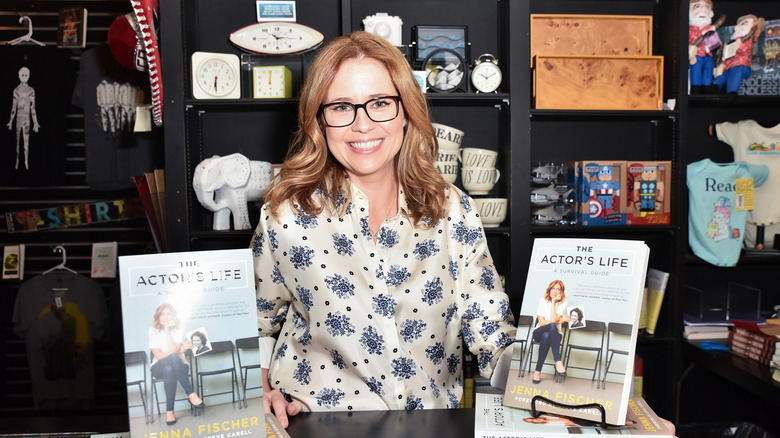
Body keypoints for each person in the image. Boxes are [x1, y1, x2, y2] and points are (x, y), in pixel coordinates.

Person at [251, 31, 516, 428]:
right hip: (317, 426)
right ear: (319, 119)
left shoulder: (452, 208)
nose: (362, 125)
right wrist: (257, 385)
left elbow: (491, 328)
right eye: (341, 106)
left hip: (430, 427)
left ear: (406, 111)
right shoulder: (284, 215)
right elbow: (253, 326)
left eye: (379, 103)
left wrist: (536, 377)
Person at [148, 303, 204, 425]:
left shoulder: (180, 328)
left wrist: (168, 331)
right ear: (158, 317)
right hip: (158, 367)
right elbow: (158, 356)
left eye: (169, 314)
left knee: (169, 370)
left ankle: (170, 412)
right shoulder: (152, 331)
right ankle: (191, 394)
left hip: (179, 366)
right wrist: (181, 348)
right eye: (163, 314)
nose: (166, 317)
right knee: (173, 357)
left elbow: (172, 349)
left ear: (174, 316)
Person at [713, 14, 765, 97]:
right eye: (741, 23)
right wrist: (720, 65)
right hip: (728, 67)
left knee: (735, 72)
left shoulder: (746, 40)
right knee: (722, 76)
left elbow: (743, 50)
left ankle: (732, 92)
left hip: (741, 66)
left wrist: (738, 44)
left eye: (746, 23)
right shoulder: (732, 40)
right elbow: (726, 56)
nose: (741, 25)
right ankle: (714, 87)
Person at [531, 280, 569, 384]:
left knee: (547, 336)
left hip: (555, 334)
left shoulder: (564, 303)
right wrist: (560, 320)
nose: (556, 291)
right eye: (554, 288)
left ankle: (537, 371)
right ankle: (558, 361)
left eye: (558, 289)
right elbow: (542, 322)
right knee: (552, 325)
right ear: (549, 289)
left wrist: (554, 303)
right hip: (538, 332)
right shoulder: (542, 301)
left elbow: (552, 319)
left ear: (561, 292)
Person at [7, 66, 40, 170]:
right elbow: (13, 107)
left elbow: (33, 108)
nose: (24, 77)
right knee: (17, 142)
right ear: (19, 75)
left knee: (26, 143)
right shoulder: (16, 90)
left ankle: (26, 162)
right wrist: (10, 121)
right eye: (22, 75)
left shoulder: (31, 90)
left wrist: (35, 122)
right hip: (18, 119)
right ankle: (17, 162)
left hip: (27, 119)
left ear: (29, 76)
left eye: (26, 75)